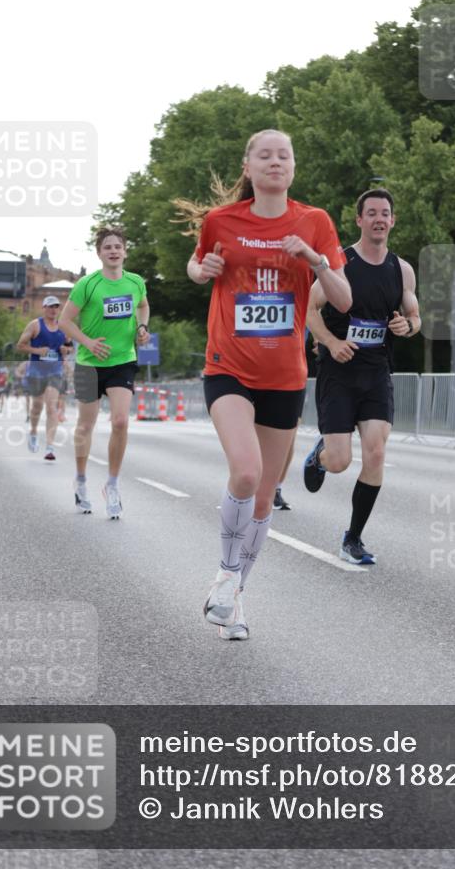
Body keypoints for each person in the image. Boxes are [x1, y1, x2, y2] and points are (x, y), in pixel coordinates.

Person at [185, 128, 351, 640]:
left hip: (284, 375)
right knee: (247, 473)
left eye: (284, 155)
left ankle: (232, 599)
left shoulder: (314, 222)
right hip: (228, 367)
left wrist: (315, 261)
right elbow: (197, 264)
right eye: (265, 155)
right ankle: (227, 572)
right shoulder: (221, 220)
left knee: (264, 497)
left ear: (293, 167)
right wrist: (201, 267)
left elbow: (343, 300)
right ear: (249, 166)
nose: (275, 161)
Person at [304, 188, 421, 564]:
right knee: (340, 461)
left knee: (376, 452)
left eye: (385, 213)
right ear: (359, 220)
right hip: (338, 371)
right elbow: (306, 306)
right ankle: (320, 457)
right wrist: (330, 341)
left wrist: (408, 326)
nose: (379, 219)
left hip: (376, 372)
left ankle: (352, 538)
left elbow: (415, 317)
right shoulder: (340, 263)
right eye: (371, 213)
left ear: (393, 220)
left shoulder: (401, 269)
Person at [59, 228, 150, 518]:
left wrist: (141, 327)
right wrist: (87, 341)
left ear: (125, 251)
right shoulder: (88, 284)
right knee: (86, 425)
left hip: (122, 360)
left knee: (121, 421)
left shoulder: (135, 282)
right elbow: (65, 321)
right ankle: (82, 479)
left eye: (118, 247)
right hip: (88, 362)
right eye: (107, 247)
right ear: (99, 253)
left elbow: (143, 306)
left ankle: (111, 484)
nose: (113, 251)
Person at [16, 296, 70, 461]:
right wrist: (38, 351)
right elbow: (20, 345)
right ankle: (33, 431)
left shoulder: (64, 327)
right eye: (51, 307)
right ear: (44, 308)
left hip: (55, 371)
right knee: (37, 407)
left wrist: (65, 350)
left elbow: (69, 347)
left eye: (56, 307)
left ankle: (49, 446)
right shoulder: (35, 325)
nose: (54, 310)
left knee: (51, 407)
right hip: (37, 372)